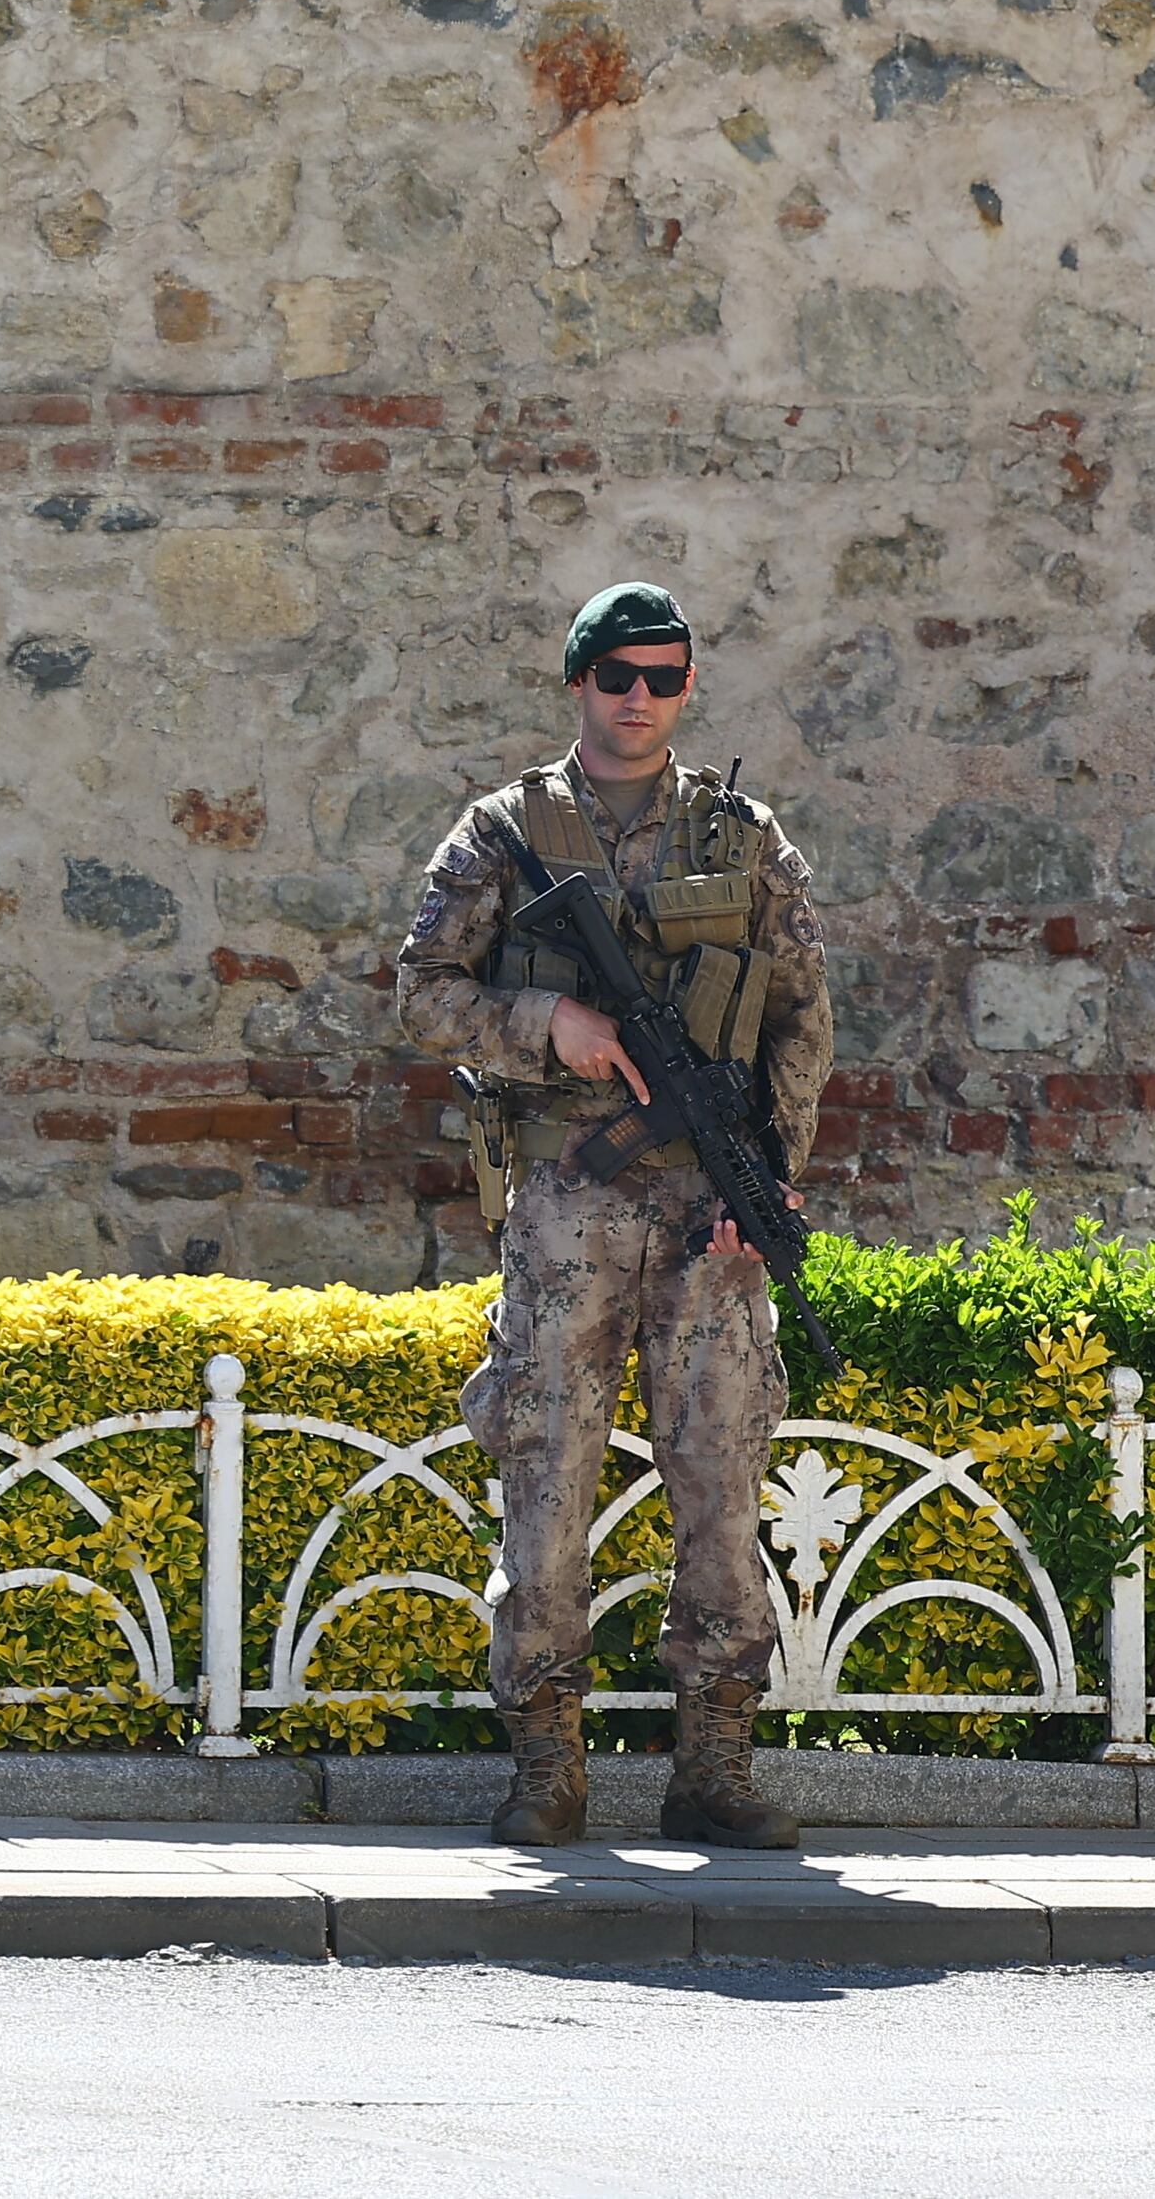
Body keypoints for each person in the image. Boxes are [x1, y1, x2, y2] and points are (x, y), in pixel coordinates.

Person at [394, 580, 832, 1850]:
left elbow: (801, 1017)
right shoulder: (500, 832)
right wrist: (549, 1028)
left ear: (686, 691)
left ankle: (714, 1765)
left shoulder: (742, 838)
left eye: (662, 678)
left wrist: (773, 1176)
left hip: (709, 1214)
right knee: (545, 1471)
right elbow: (423, 994)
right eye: (614, 676)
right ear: (575, 681)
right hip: (565, 1206)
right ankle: (546, 1765)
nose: (637, 699)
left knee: (719, 1476)